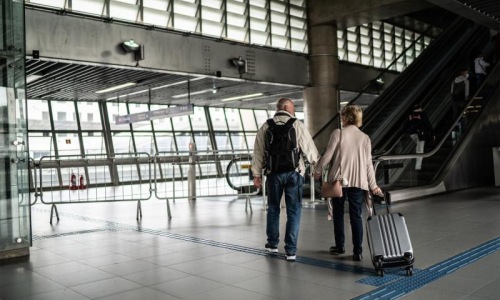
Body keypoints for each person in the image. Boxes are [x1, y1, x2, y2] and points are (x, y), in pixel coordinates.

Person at [251, 97, 320, 262]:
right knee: (293, 211)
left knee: (273, 208)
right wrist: (318, 168)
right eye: (293, 107)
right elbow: (310, 149)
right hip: (294, 173)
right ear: (287, 107)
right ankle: (290, 251)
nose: (294, 109)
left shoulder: (266, 126)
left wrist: (256, 174)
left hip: (273, 174)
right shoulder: (297, 124)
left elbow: (258, 152)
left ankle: (273, 244)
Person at [313, 105, 382, 262]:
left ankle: (340, 246)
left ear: (347, 118)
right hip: (358, 182)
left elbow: (327, 156)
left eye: (342, 116)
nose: (341, 119)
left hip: (339, 181)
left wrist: (317, 170)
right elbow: (368, 164)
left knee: (338, 214)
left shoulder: (338, 133)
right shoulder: (365, 138)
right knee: (356, 216)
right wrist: (373, 185)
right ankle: (357, 251)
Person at [406, 104, 435, 171]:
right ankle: (418, 167)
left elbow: (406, 125)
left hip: (412, 134)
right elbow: (428, 124)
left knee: (418, 148)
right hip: (421, 134)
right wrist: (433, 133)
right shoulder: (422, 114)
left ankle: (417, 164)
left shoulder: (411, 114)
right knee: (420, 150)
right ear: (420, 108)